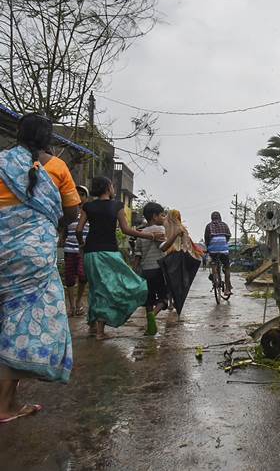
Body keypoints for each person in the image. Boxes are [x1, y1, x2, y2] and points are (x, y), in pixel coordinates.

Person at [0, 114, 80, 422]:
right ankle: (6, 405)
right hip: (32, 256)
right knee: (18, 323)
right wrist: (41, 218)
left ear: (19, 133)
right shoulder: (57, 167)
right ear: (49, 138)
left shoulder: (3, 160)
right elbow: (71, 213)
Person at [76, 177, 163, 340]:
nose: (114, 188)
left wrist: (82, 245)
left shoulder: (87, 206)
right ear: (108, 188)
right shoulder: (117, 205)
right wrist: (149, 235)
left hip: (90, 253)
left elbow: (79, 229)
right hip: (109, 253)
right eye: (113, 186)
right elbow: (126, 230)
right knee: (129, 285)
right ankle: (100, 332)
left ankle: (93, 326)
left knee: (96, 288)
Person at [133, 202, 182, 335]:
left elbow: (137, 253)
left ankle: (150, 326)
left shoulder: (141, 233)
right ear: (154, 216)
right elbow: (164, 247)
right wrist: (175, 234)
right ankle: (152, 316)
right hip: (158, 269)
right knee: (164, 298)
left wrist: (135, 269)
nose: (164, 217)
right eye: (162, 215)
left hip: (145, 270)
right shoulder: (159, 230)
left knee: (149, 299)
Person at [62, 185, 90, 317]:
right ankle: (72, 306)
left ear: (86, 197)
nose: (79, 196)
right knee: (69, 278)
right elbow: (64, 229)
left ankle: (79, 302)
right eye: (77, 193)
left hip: (83, 249)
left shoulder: (89, 212)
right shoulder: (69, 211)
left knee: (83, 276)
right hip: (69, 248)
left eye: (82, 194)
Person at [204, 211, 233, 296]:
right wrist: (224, 244)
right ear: (220, 217)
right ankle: (227, 289)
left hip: (213, 249)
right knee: (227, 268)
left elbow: (206, 238)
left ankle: (215, 278)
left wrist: (208, 248)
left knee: (213, 262)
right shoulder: (224, 225)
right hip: (224, 249)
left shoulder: (209, 226)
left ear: (212, 218)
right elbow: (228, 236)